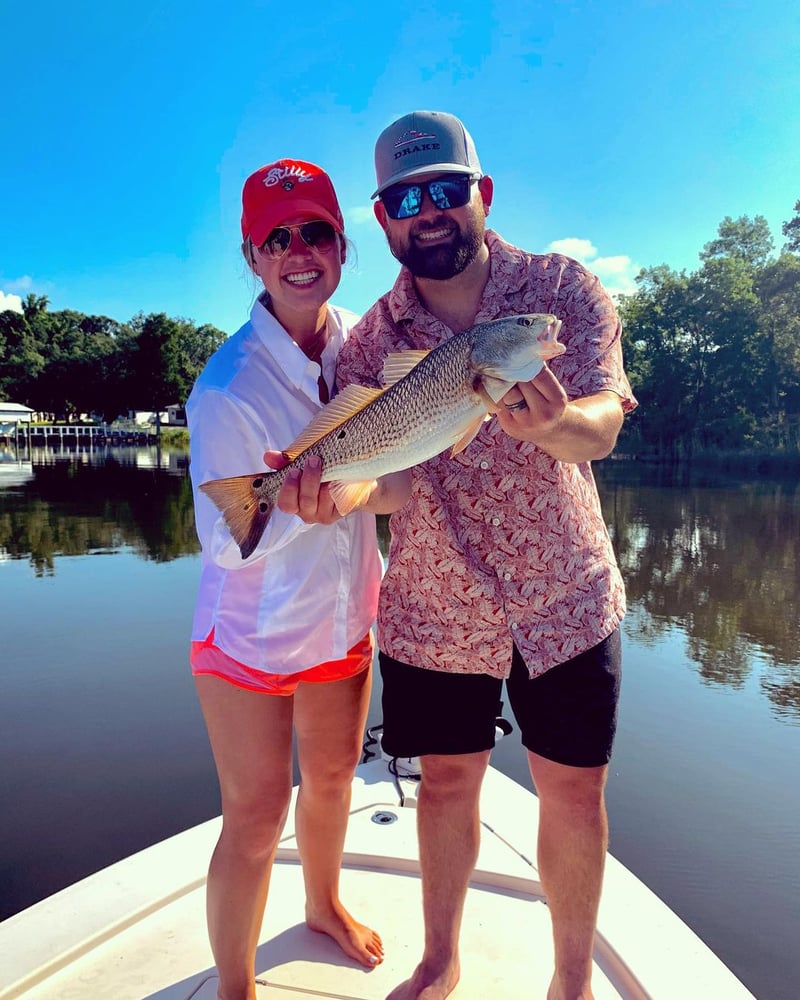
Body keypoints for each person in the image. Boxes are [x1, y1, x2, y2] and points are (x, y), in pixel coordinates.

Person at [275, 112, 637, 1000]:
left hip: (566, 597)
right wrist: (338, 495)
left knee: (574, 794)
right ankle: (440, 963)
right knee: (443, 785)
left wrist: (558, 423)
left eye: (444, 189)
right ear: (384, 216)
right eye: (405, 198)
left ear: (481, 194)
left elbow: (605, 424)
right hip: (434, 604)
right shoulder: (370, 343)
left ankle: (570, 981)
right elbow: (391, 485)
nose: (427, 210)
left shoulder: (559, 288)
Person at [186, 158, 406, 1000]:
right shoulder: (227, 386)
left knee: (336, 782)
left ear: (342, 245)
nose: (299, 250)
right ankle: (237, 987)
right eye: (277, 238)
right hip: (248, 630)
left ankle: (322, 905)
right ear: (253, 257)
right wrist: (305, 508)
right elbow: (224, 540)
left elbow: (411, 444)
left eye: (315, 230)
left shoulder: (369, 343)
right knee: (252, 819)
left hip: (345, 617)